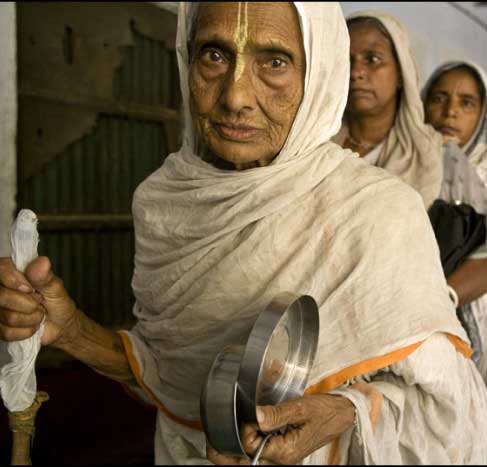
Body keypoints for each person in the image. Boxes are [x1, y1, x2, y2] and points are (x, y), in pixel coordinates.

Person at [1, 2, 487, 464]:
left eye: (273, 61)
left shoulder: (379, 210)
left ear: (317, 73)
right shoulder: (166, 203)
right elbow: (175, 378)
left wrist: (345, 413)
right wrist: (72, 331)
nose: (235, 97)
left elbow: (450, 409)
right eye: (214, 55)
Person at [332, 11, 443, 209]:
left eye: (372, 59)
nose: (356, 72)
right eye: (347, 61)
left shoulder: (431, 155)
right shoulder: (316, 145)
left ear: (401, 74)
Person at [423, 61, 487, 382]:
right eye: (439, 98)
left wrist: (443, 299)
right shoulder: (405, 164)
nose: (450, 112)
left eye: (466, 103)